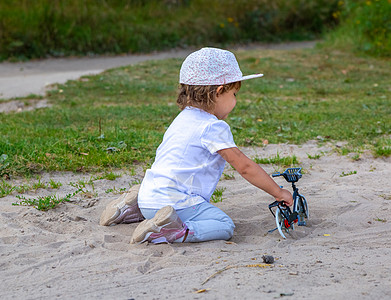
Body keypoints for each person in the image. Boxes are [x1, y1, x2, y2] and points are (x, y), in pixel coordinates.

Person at [99, 47, 293, 244]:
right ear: (219, 92)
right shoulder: (213, 127)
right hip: (177, 203)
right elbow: (245, 167)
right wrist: (279, 192)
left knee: (162, 199)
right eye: (234, 94)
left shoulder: (182, 119)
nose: (235, 100)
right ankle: (173, 232)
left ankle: (131, 209)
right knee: (224, 225)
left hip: (149, 197)